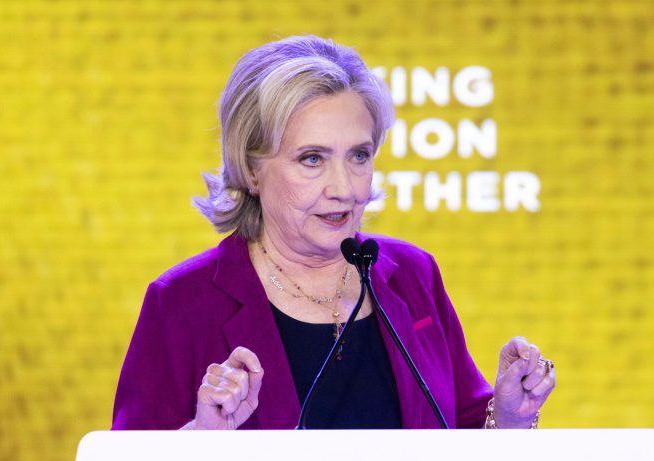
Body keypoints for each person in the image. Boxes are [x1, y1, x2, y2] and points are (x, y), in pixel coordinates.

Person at [112, 35, 555, 431]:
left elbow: (464, 453)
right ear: (250, 169)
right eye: (312, 159)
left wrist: (512, 418)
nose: (343, 189)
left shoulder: (413, 275)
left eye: (359, 156)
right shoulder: (183, 302)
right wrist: (202, 441)